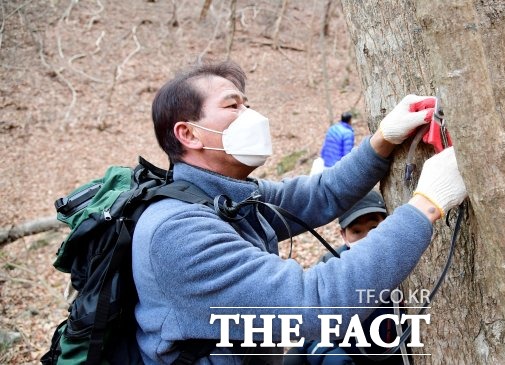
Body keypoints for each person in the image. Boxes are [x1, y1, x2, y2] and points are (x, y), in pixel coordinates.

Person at [132, 59, 467, 364]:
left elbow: (322, 194)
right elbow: (316, 304)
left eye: (248, 104)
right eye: (233, 105)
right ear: (187, 133)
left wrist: (381, 140)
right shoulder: (179, 231)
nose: (251, 116)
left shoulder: (227, 198)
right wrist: (425, 205)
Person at [285, 191, 410, 365]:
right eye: (357, 231)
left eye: (374, 227)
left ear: (387, 224)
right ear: (344, 236)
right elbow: (310, 324)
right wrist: (334, 358)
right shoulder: (330, 266)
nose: (368, 238)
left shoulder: (406, 262)